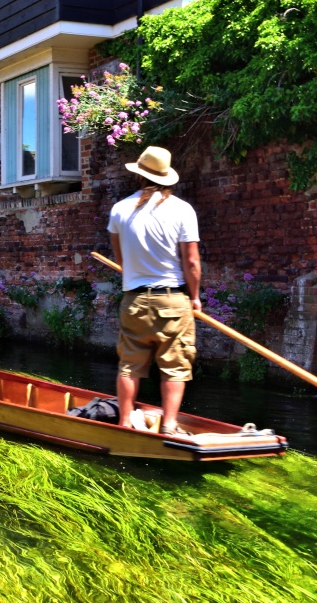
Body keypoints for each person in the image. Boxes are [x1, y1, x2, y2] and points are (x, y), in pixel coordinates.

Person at [107, 146, 201, 436]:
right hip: (173, 300)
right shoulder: (182, 209)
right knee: (175, 367)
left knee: (129, 365)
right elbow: (192, 261)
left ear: (139, 175)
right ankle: (170, 426)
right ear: (167, 177)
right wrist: (195, 297)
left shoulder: (120, 209)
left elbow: (120, 259)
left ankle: (124, 421)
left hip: (134, 299)